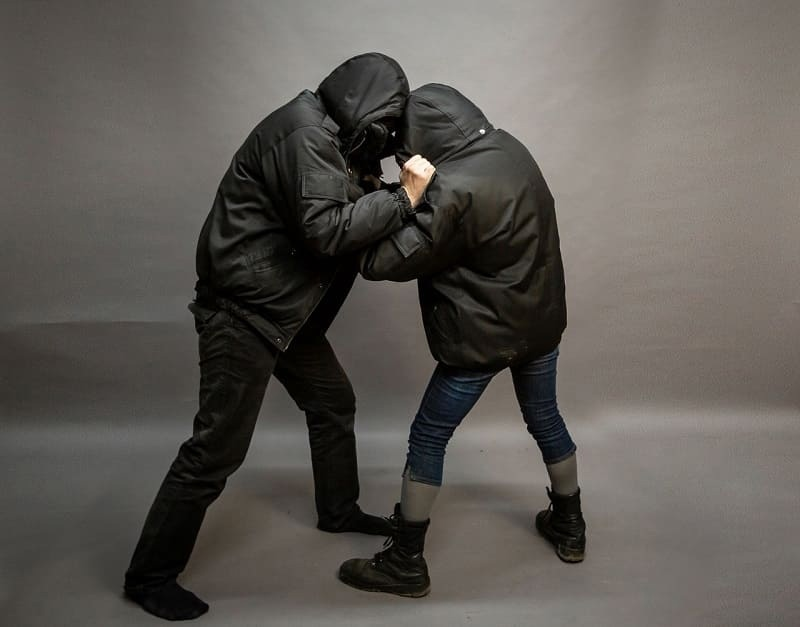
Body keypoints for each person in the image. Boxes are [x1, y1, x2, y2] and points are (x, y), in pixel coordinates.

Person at [123, 53, 436, 621]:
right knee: (216, 449)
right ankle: (149, 577)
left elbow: (343, 199)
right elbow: (325, 231)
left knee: (333, 403)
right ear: (365, 107)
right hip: (244, 313)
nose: (386, 139)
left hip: (285, 313)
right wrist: (402, 198)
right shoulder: (304, 134)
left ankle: (337, 511)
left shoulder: (329, 136)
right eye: (385, 127)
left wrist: (388, 183)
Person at [337, 83, 585, 598]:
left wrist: (393, 196)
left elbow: (379, 262)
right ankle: (570, 525)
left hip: (481, 339)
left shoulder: (449, 190)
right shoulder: (511, 148)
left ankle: (405, 562)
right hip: (539, 323)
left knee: (429, 437)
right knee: (545, 417)